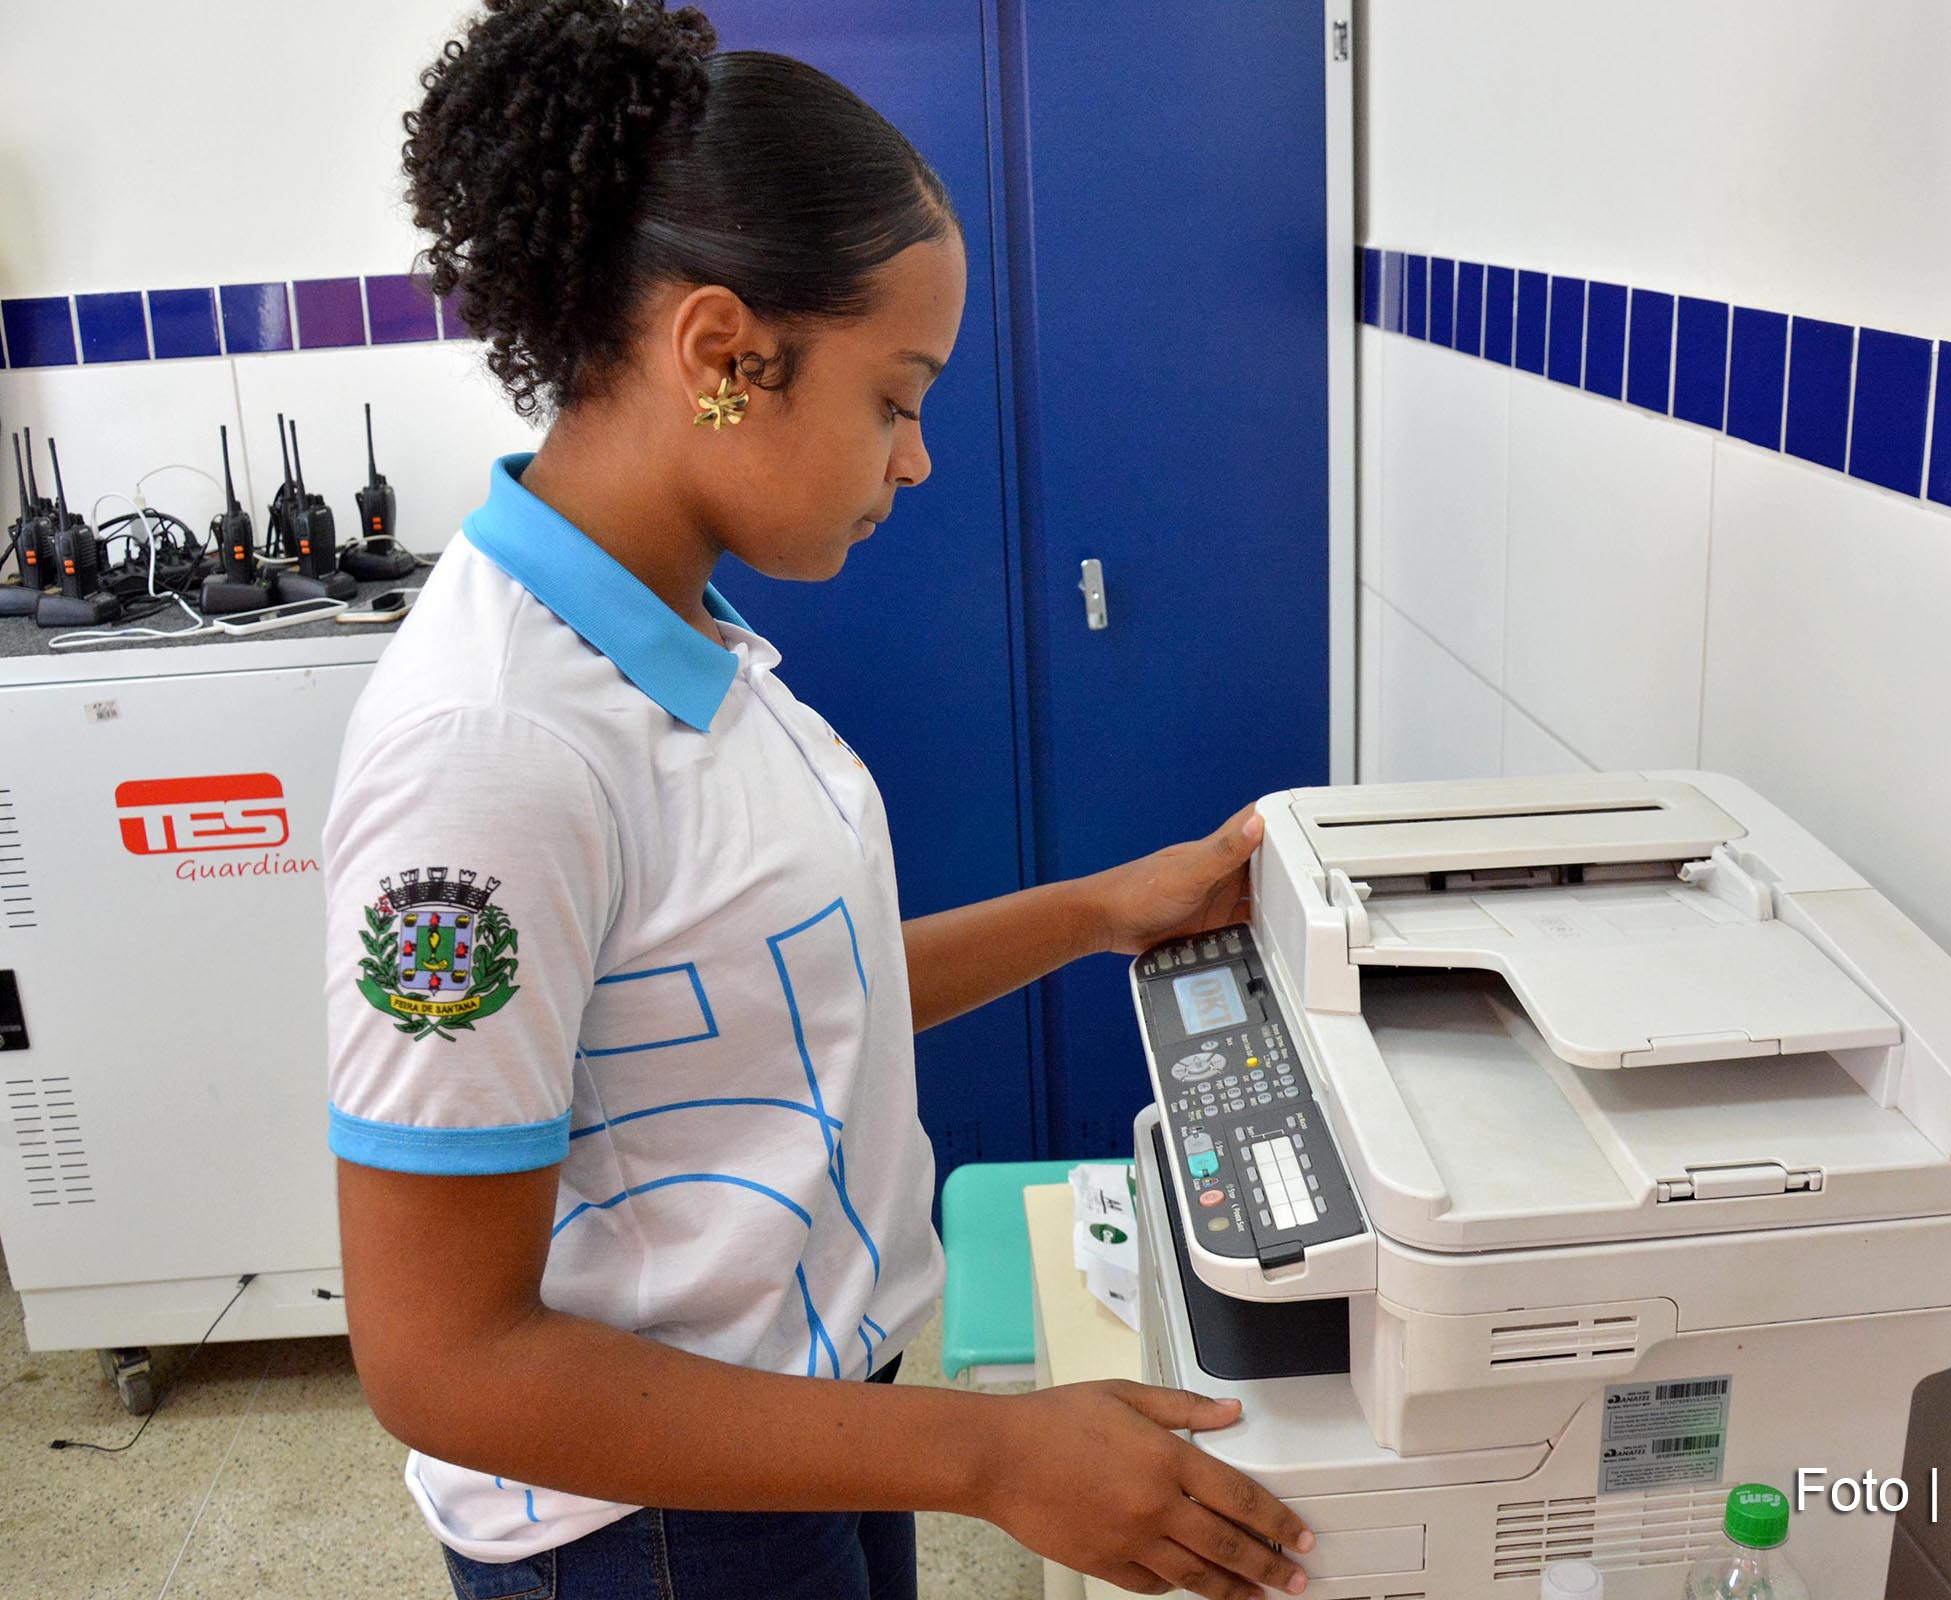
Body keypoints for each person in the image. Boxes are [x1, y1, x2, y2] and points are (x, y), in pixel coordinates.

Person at [321, 4, 1312, 1597]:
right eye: (897, 398)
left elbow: (758, 1009)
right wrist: (990, 1457)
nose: (915, 461)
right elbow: (445, 1361)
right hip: (644, 1528)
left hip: (805, 1433)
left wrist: (1098, 912)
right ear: (723, 356)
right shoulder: (492, 751)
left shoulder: (685, 639)